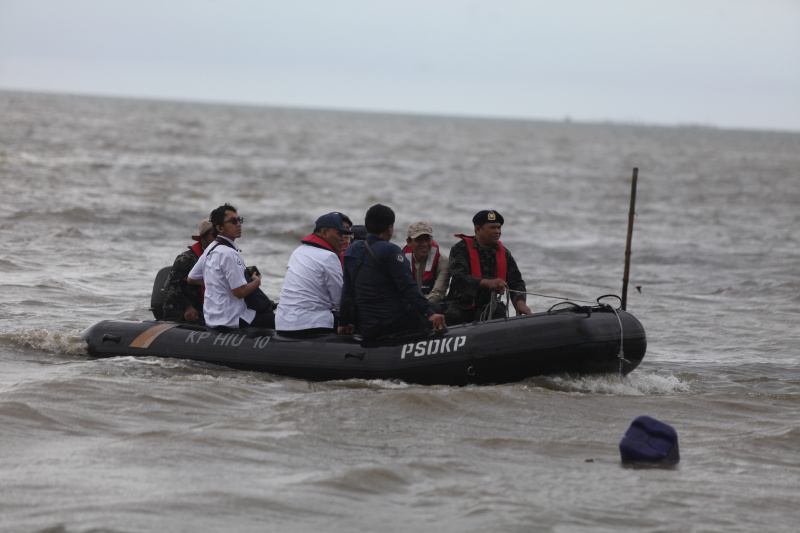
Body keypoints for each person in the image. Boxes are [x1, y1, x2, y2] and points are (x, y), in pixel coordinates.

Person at [340, 204, 446, 339]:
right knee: (436, 308)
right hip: (391, 324)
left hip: (365, 324)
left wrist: (343, 322)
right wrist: (429, 313)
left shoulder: (351, 250)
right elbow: (408, 287)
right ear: (389, 229)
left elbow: (347, 290)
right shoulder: (391, 250)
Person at [187, 203, 275, 329]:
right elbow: (240, 292)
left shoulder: (211, 248)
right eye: (233, 221)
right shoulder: (229, 253)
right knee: (276, 320)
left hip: (212, 318)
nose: (239, 224)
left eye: (240, 220)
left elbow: (192, 278)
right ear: (220, 228)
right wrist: (256, 282)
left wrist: (219, 282)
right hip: (232, 319)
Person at [444, 209, 532, 324]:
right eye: (492, 228)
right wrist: (487, 283)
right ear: (478, 229)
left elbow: (516, 282)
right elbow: (459, 277)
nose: (497, 231)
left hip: (487, 307)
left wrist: (520, 302)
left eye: (499, 228)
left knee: (498, 310)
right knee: (451, 314)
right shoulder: (460, 249)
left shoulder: (504, 253)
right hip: (460, 305)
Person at [275, 212, 353, 337]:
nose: (342, 239)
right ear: (324, 232)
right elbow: (340, 301)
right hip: (311, 325)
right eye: (339, 234)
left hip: (282, 323)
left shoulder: (297, 252)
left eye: (345, 234)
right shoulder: (329, 257)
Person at [162, 219, 216, 322]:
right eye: (214, 234)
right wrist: (187, 307)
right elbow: (170, 286)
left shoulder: (219, 257)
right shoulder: (185, 259)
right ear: (203, 237)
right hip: (180, 311)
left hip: (204, 310)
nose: (217, 238)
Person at [402, 221, 451, 308]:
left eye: (427, 239)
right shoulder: (400, 260)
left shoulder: (443, 262)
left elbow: (437, 295)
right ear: (408, 242)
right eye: (419, 240)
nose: (424, 244)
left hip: (431, 307)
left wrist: (416, 306)